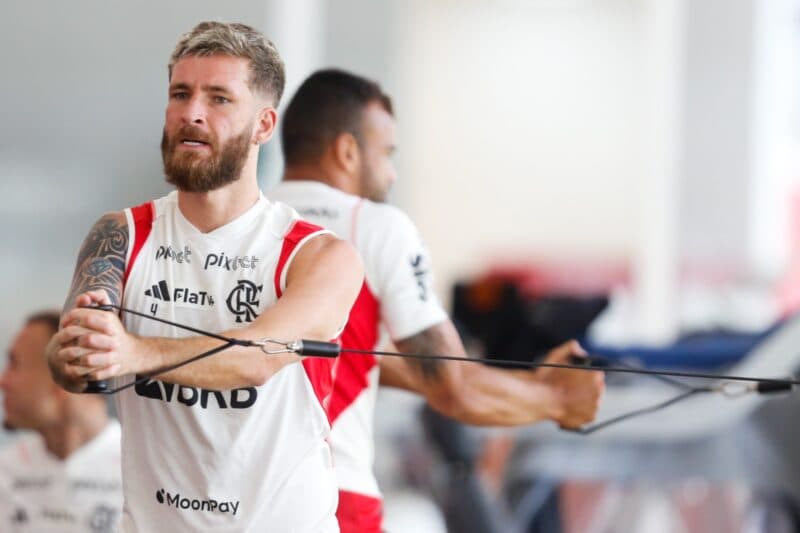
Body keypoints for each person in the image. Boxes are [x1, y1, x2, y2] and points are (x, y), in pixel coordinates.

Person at [46, 23, 363, 532]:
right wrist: (73, 355)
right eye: (180, 94)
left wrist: (133, 353)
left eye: (219, 98)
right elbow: (79, 367)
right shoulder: (120, 233)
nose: (192, 112)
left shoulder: (319, 255)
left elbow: (257, 358)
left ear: (263, 125)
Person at [270, 68, 606, 532]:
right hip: (333, 500)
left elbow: (325, 358)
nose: (390, 173)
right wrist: (555, 399)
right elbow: (455, 386)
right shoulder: (375, 226)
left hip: (233, 501)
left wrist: (529, 386)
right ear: (347, 152)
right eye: (386, 154)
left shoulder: (245, 226)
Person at [0, 310, 121, 532]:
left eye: (14, 364)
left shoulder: (141, 473)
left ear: (66, 374)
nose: (3, 381)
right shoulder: (5, 471)